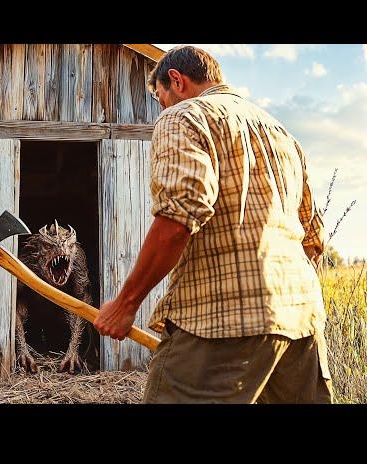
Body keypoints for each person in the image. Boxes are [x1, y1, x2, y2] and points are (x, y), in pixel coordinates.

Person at [93, 45, 333, 404]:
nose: (162, 107)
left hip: (220, 321)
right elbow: (313, 237)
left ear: (177, 80)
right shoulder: (281, 132)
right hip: (301, 324)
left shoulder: (185, 117)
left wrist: (126, 303)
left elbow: (179, 215)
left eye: (160, 97)